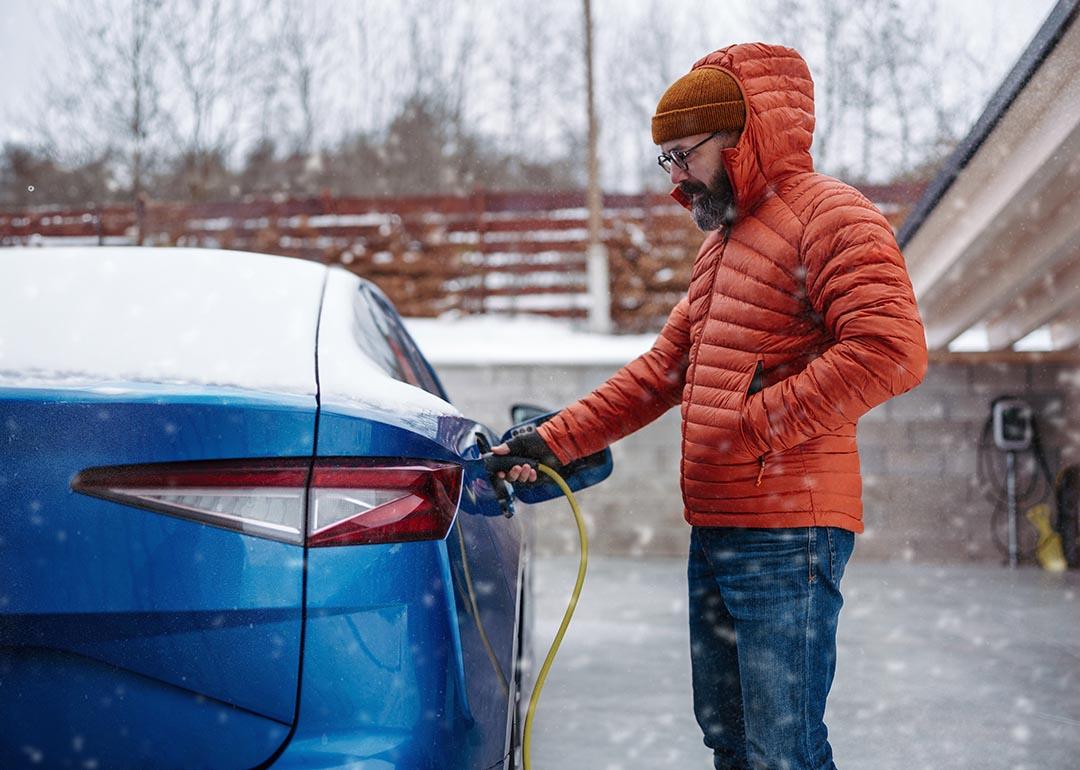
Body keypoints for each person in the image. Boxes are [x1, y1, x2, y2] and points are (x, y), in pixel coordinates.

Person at [492, 42, 928, 770]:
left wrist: (755, 423)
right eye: (665, 159)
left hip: (789, 532)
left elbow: (891, 350)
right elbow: (665, 371)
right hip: (720, 526)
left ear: (740, 136)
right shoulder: (724, 245)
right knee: (730, 741)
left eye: (683, 155)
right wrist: (553, 439)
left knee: (782, 750)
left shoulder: (833, 218)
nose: (676, 178)